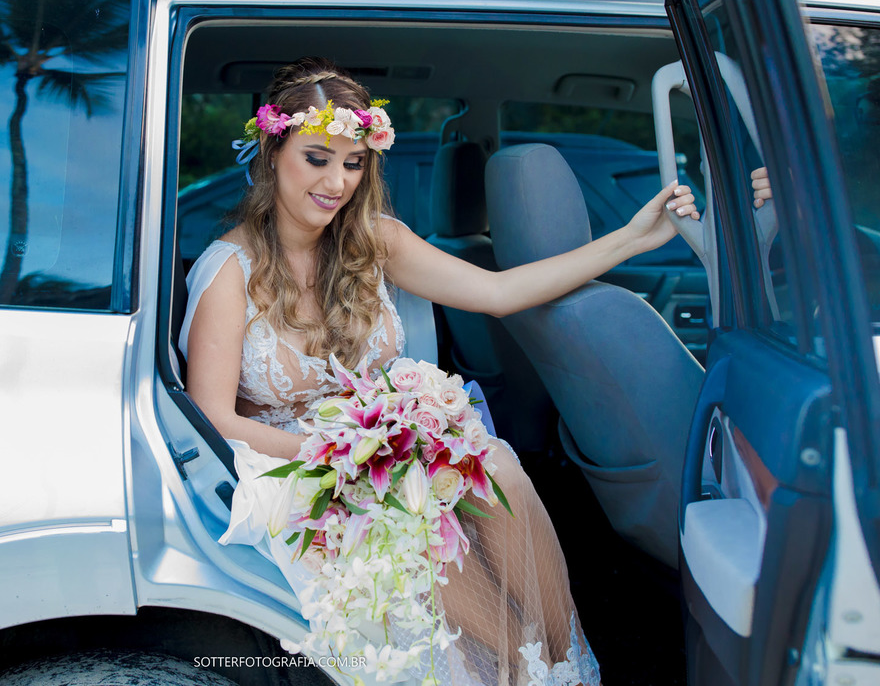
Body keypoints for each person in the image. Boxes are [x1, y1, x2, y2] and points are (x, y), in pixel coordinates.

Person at [179, 57, 699, 686]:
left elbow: (501, 292)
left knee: (494, 464)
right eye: (316, 157)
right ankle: (510, 668)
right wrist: (348, 455)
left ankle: (558, 669)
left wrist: (634, 238)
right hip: (289, 466)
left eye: (353, 162)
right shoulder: (229, 270)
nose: (336, 181)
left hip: (386, 450)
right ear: (272, 153)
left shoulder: (377, 241)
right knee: (409, 505)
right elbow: (213, 416)